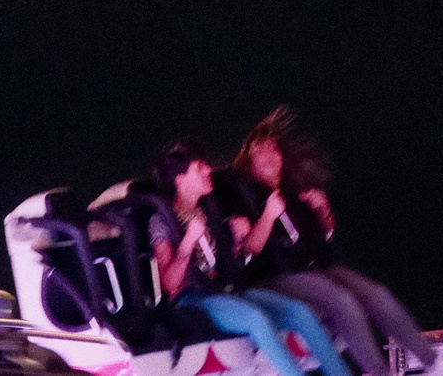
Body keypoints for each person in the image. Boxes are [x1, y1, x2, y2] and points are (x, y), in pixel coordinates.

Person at [223, 107, 437, 376]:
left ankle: (432, 361)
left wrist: (323, 214)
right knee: (341, 300)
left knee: (377, 294)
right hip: (274, 276)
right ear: (248, 161)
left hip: (315, 267)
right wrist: (268, 215)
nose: (269, 155)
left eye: (273, 149)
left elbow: (324, 239)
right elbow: (249, 249)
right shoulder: (241, 195)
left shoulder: (292, 193)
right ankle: (378, 372)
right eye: (260, 151)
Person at [145, 140, 356, 376]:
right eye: (200, 167)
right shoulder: (161, 222)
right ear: (180, 178)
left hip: (227, 288)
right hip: (196, 298)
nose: (208, 170)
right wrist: (188, 241)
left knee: (300, 313)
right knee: (256, 319)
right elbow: (170, 285)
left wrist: (238, 242)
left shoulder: (209, 209)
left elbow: (231, 260)